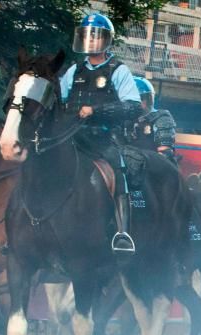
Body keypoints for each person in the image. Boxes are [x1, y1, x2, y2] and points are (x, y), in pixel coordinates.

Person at [61, 12, 143, 255]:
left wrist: (95, 111)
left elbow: (133, 106)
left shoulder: (118, 70)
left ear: (106, 40)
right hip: (72, 136)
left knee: (118, 168)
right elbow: (60, 100)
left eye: (96, 36)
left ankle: (122, 232)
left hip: (103, 138)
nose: (91, 40)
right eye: (87, 35)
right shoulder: (73, 71)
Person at [129, 77, 177, 163]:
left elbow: (165, 153)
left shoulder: (161, 118)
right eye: (138, 99)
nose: (142, 103)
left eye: (144, 98)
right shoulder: (125, 121)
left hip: (154, 166)